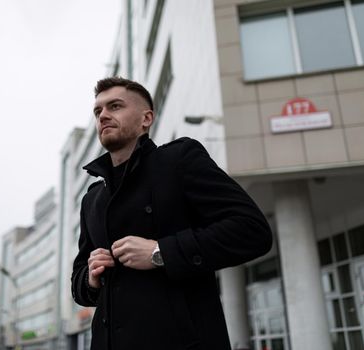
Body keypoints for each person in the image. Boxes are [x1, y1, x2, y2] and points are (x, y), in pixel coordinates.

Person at [71, 77, 272, 350]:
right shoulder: (92, 198)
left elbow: (251, 230)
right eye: (98, 111)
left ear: (146, 119)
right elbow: (79, 284)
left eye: (115, 106)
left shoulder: (178, 160)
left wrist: (160, 252)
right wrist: (90, 277)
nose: (103, 115)